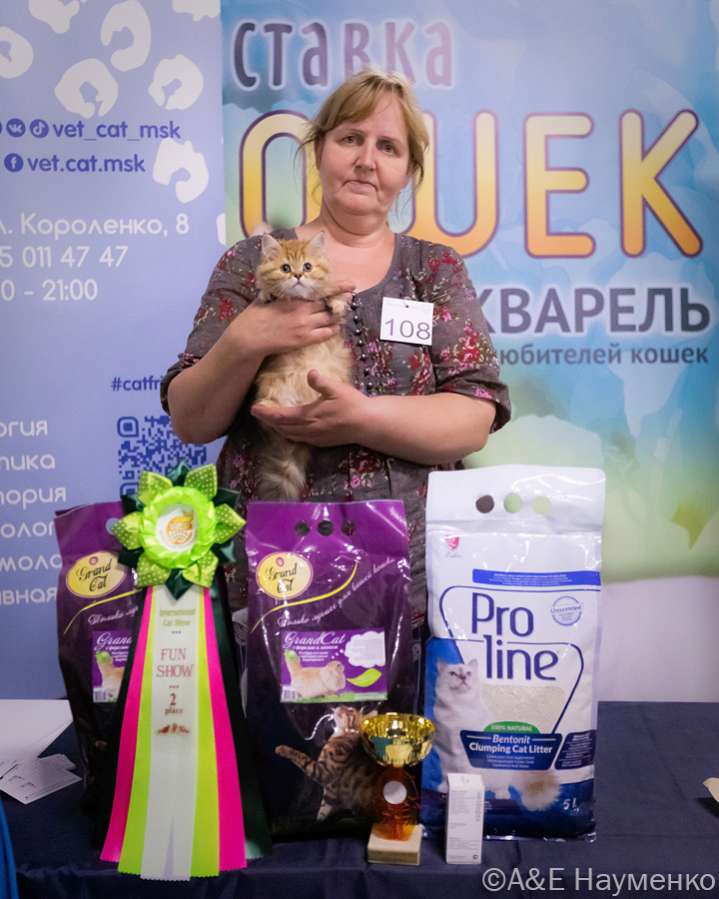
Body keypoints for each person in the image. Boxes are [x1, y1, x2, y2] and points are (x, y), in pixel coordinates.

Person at [161, 69, 511, 628]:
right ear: (319, 149)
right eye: (351, 138)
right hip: (275, 567)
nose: (367, 160)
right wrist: (246, 340)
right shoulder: (253, 262)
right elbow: (191, 420)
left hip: (414, 578)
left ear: (408, 170)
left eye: (388, 147)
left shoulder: (433, 269)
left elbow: (474, 419)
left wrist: (361, 419)